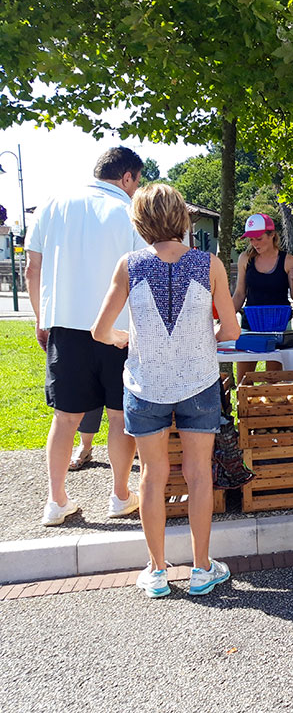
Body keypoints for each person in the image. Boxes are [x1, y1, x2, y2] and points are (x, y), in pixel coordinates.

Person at [92, 183, 240, 598]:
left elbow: (100, 331)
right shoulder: (209, 264)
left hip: (145, 386)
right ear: (183, 218)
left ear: (140, 222)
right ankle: (201, 568)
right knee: (198, 476)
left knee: (152, 477)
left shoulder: (129, 265)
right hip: (199, 383)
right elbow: (230, 330)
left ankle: (157, 571)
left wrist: (126, 338)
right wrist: (204, 335)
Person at [25, 146, 146, 526]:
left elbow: (33, 267)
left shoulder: (53, 203)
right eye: (136, 181)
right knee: (119, 415)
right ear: (127, 177)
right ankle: (119, 495)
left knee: (64, 419)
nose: (136, 188)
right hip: (119, 330)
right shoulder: (131, 214)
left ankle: (55, 500)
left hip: (65, 325)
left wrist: (41, 317)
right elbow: (142, 276)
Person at [231, 213, 293, 383]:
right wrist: (224, 318)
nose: (254, 243)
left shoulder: (288, 260)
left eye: (258, 238)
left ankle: (269, 409)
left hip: (278, 328)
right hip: (250, 326)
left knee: (273, 381)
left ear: (272, 235)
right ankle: (246, 410)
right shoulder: (245, 259)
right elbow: (240, 294)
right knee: (244, 381)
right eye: (250, 239)